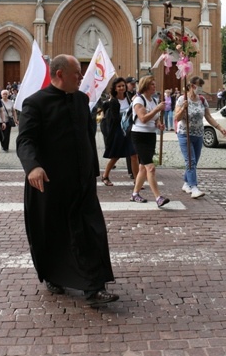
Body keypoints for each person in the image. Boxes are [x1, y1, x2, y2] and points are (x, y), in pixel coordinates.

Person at [16, 54, 118, 307]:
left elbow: (86, 137)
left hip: (81, 182)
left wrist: (92, 171)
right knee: (53, 233)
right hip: (49, 183)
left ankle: (94, 287)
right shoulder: (35, 103)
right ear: (60, 74)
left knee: (91, 231)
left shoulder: (81, 101)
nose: (81, 77)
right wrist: (33, 167)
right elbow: (25, 140)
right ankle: (53, 274)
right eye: (76, 73)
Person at [174, 76, 226, 199]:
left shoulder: (202, 100)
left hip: (198, 134)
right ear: (192, 86)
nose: (200, 88)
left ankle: (186, 183)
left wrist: (219, 127)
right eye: (199, 86)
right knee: (190, 161)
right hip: (184, 134)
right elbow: (177, 117)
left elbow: (208, 116)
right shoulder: (182, 99)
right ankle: (194, 187)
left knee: (194, 162)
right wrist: (183, 108)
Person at [129, 75, 169, 207]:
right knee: (150, 168)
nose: (154, 86)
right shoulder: (138, 100)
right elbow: (143, 118)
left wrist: (159, 124)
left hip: (150, 136)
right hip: (139, 136)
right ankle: (158, 198)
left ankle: (135, 194)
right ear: (145, 86)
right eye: (152, 84)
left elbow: (155, 118)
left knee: (143, 168)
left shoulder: (154, 100)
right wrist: (157, 109)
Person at [100, 77, 138, 186]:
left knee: (134, 155)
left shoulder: (129, 97)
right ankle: (105, 175)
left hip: (130, 131)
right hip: (119, 132)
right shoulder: (113, 101)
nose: (121, 88)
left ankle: (137, 180)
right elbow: (115, 119)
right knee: (115, 156)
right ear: (115, 89)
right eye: (119, 86)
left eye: (123, 85)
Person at [124, 76, 138, 179]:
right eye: (131, 84)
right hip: (127, 125)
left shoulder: (135, 94)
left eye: (134, 84)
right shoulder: (125, 95)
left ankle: (137, 169)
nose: (133, 86)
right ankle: (131, 171)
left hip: (135, 123)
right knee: (130, 150)